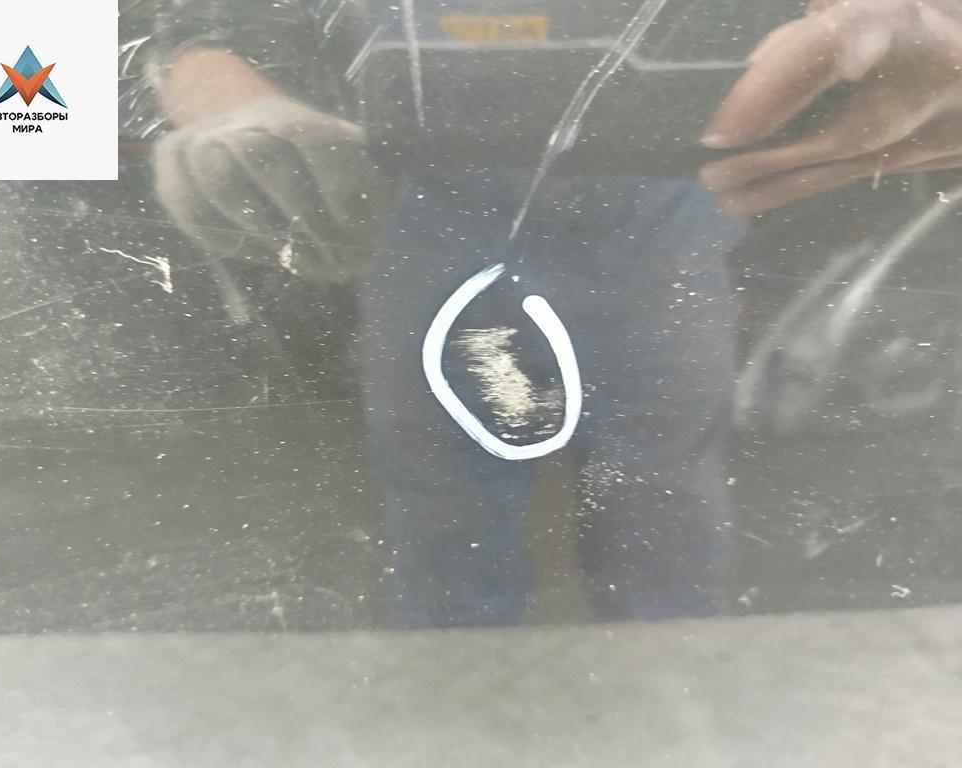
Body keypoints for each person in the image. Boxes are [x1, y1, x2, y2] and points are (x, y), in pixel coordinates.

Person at [144, 0, 962, 628]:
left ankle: (664, 686)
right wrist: (229, 105)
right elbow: (209, 23)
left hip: (650, 204)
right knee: (454, 505)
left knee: (661, 498)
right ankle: (462, 700)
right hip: (437, 208)